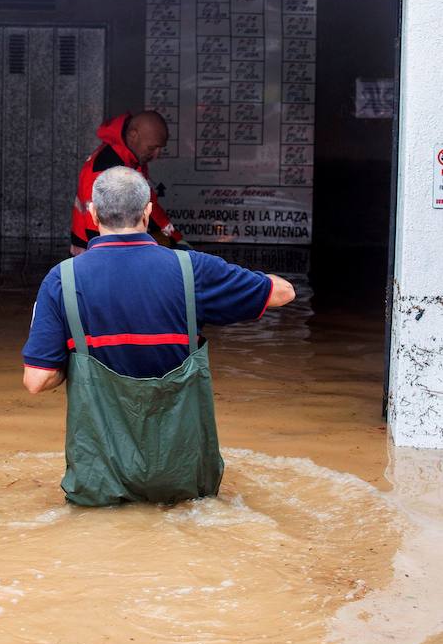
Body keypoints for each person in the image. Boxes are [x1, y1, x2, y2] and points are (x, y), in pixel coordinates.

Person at [24, 167, 295, 507]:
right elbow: (283, 293)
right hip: (183, 482)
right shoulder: (192, 270)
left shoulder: (61, 280)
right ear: (149, 211)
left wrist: (74, 364)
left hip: (99, 483)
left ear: (92, 213)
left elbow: (37, 380)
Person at [70, 110, 185, 255]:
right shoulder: (103, 167)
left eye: (161, 148)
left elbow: (149, 203)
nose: (157, 155)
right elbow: (96, 225)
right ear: (133, 135)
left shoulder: (131, 159)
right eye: (152, 148)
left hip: (112, 250)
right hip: (92, 254)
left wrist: (175, 238)